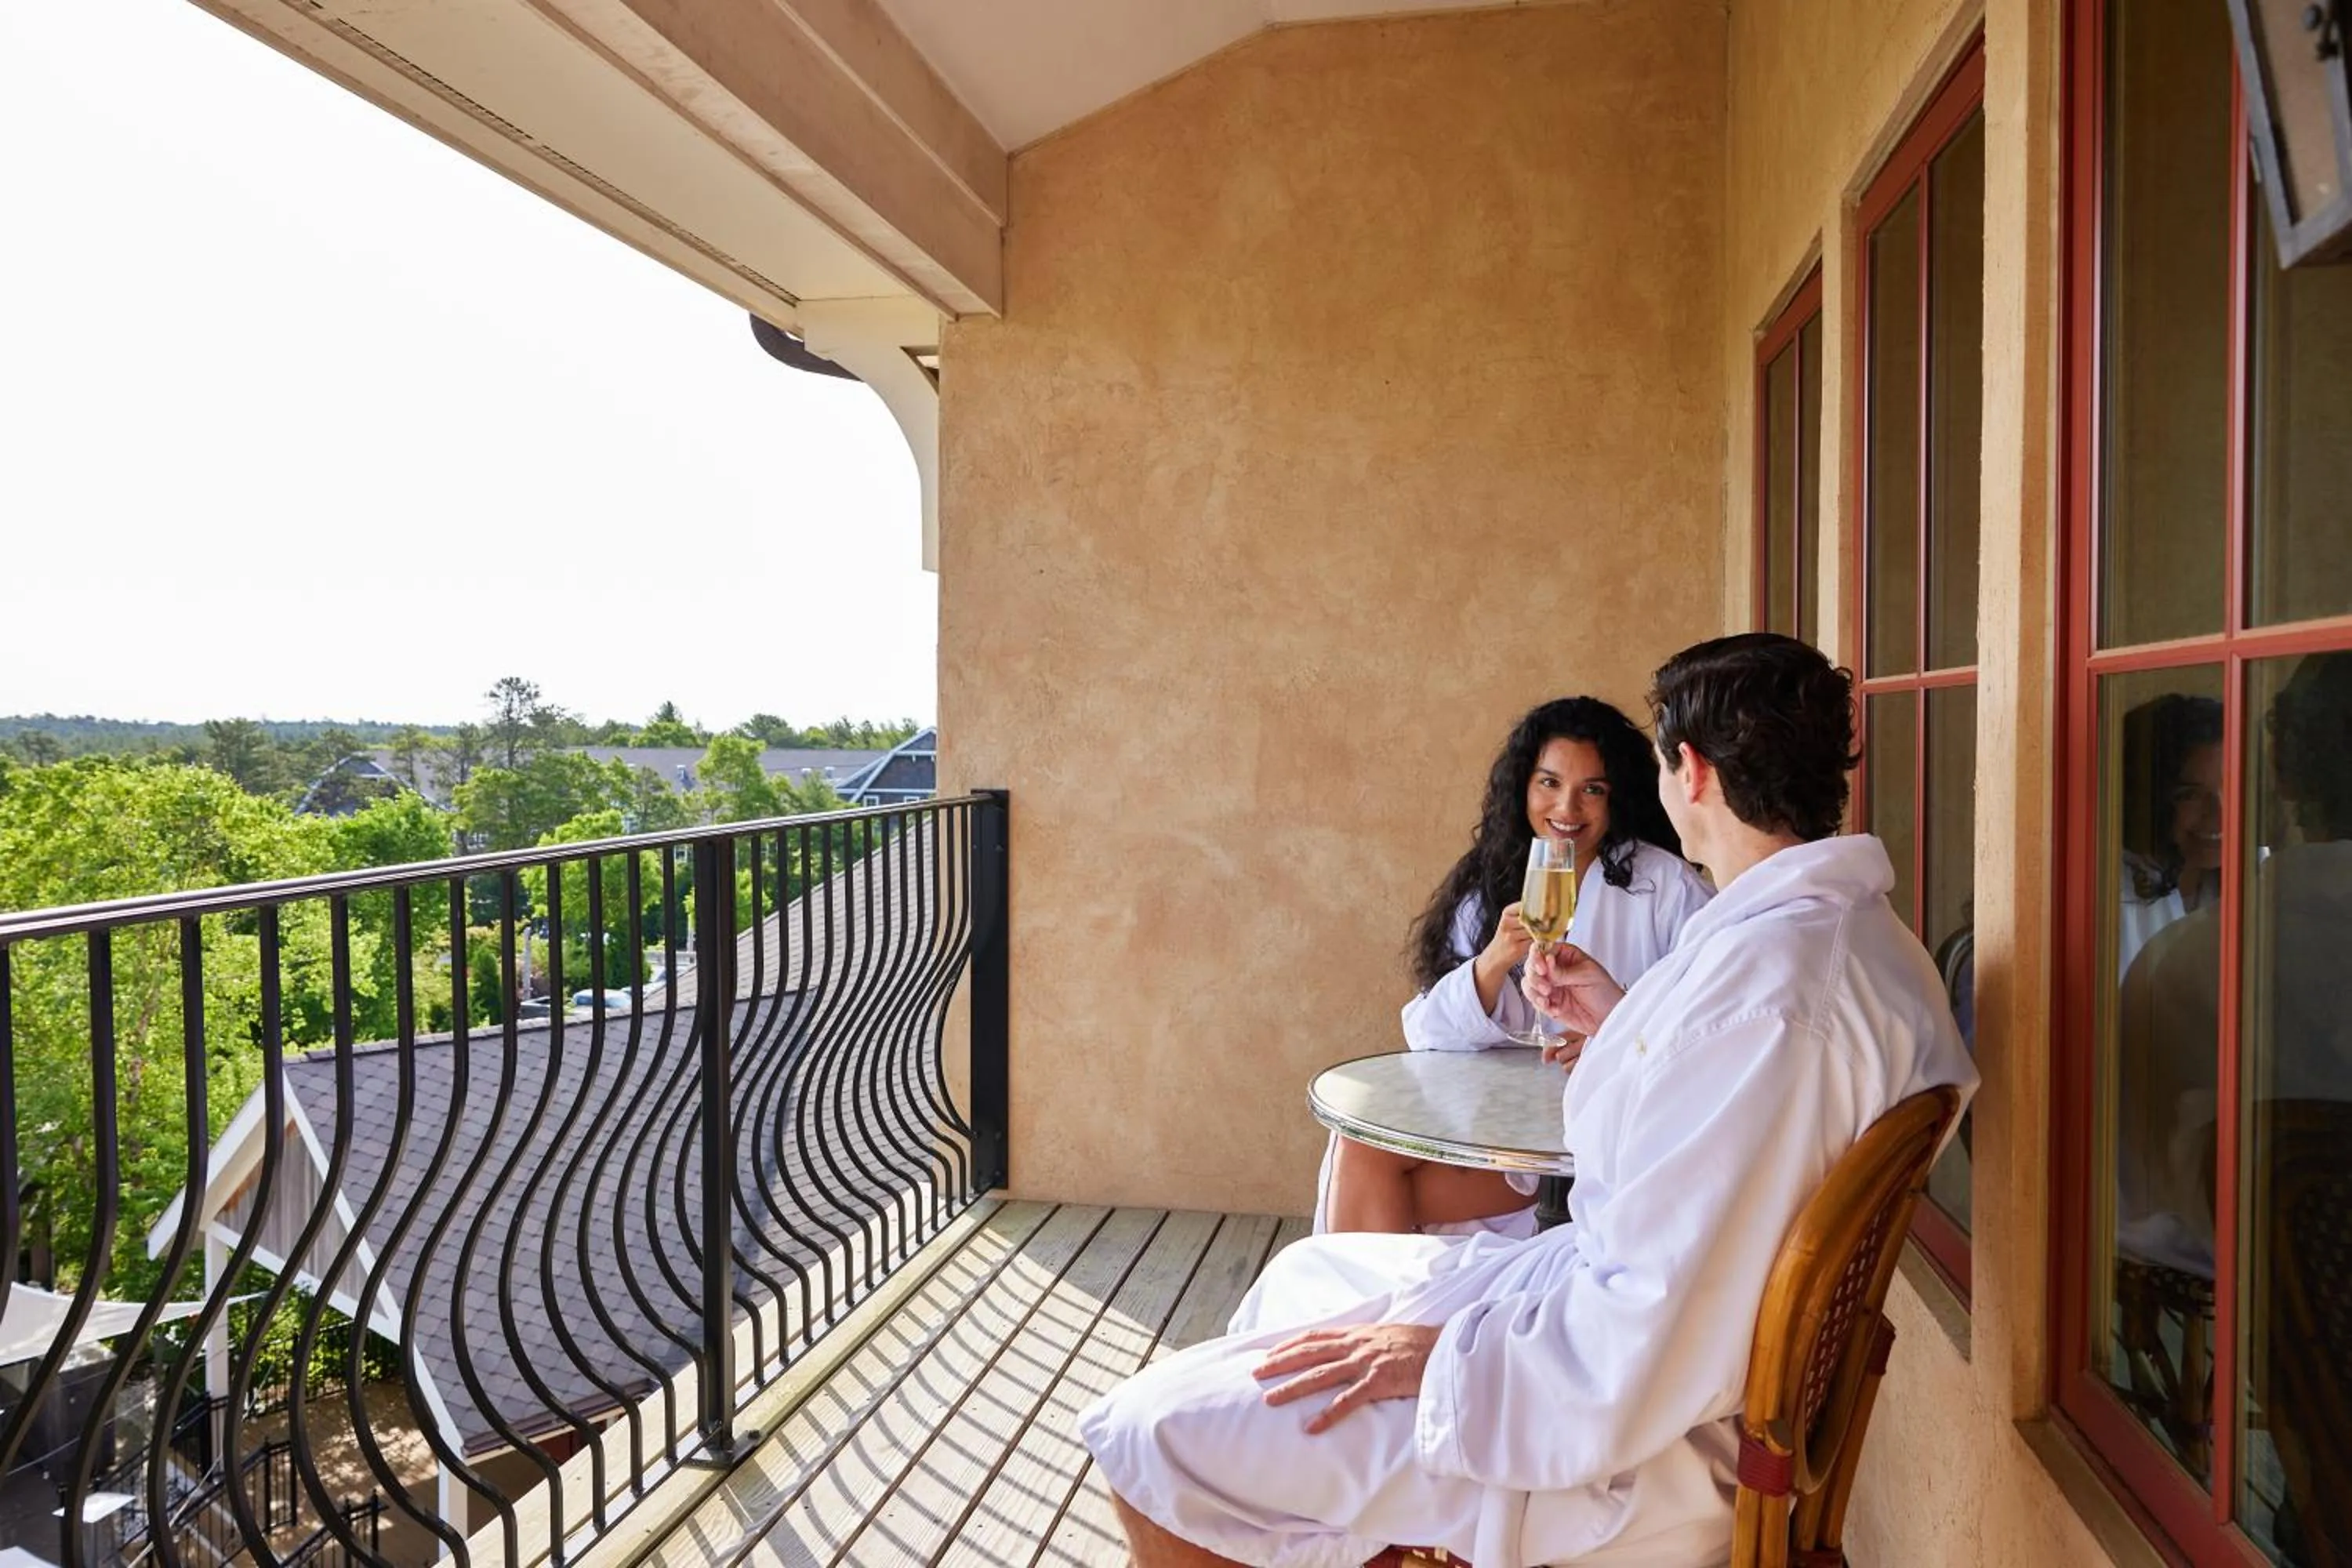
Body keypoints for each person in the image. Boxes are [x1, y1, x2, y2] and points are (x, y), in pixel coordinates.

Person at [1077, 633, 1976, 1568]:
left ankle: (1321, 1497)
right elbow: (1712, 1149)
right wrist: (1625, 1022)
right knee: (1306, 1281)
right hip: (1645, 1357)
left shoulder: (1777, 997)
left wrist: (1445, 1361)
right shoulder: (1831, 941)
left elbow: (1657, 1315)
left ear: (1692, 772)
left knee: (1152, 1438)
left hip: (1629, 1436)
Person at [1319, 697, 1711, 1236]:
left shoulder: (1665, 888)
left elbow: (1707, 1023)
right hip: (1508, 1130)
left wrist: (1613, 1037)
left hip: (1604, 1138)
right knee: (1363, 1145)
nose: (1567, 809)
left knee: (1382, 1186)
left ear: (1617, 796)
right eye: (1549, 783)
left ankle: (1373, 1313)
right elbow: (1426, 1034)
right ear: (1523, 786)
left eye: (1591, 789)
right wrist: (1493, 960)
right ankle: (1354, 1314)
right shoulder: (1495, 881)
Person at [2115, 693, 2224, 981]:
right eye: (2189, 795)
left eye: (2234, 787)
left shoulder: (2265, 880)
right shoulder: (2105, 899)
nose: (2219, 815)